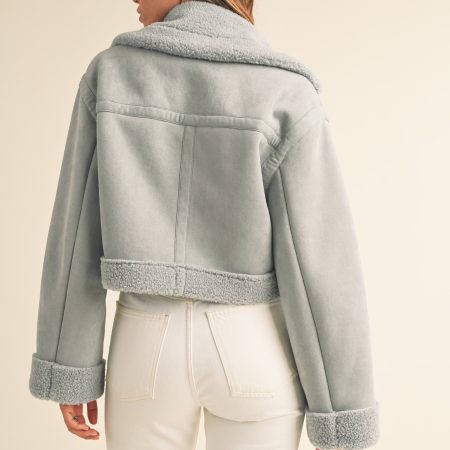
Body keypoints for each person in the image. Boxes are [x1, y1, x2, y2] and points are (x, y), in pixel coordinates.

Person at [28, 0, 380, 449]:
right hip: (252, 344)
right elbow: (321, 261)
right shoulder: (286, 90)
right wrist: (345, 409)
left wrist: (67, 365)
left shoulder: (111, 73)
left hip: (145, 342)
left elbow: (76, 231)